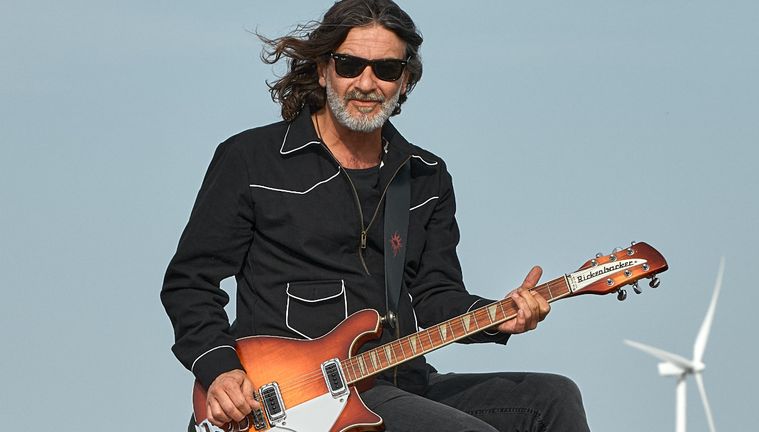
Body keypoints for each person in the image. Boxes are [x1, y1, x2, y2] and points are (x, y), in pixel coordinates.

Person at [161, 0, 590, 430]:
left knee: (553, 398)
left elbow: (436, 296)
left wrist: (501, 316)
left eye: (386, 69)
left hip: (403, 381)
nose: (366, 83)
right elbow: (190, 282)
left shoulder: (425, 176)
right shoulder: (252, 159)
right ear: (323, 69)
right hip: (298, 397)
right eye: (349, 65)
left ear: (405, 81)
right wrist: (219, 369)